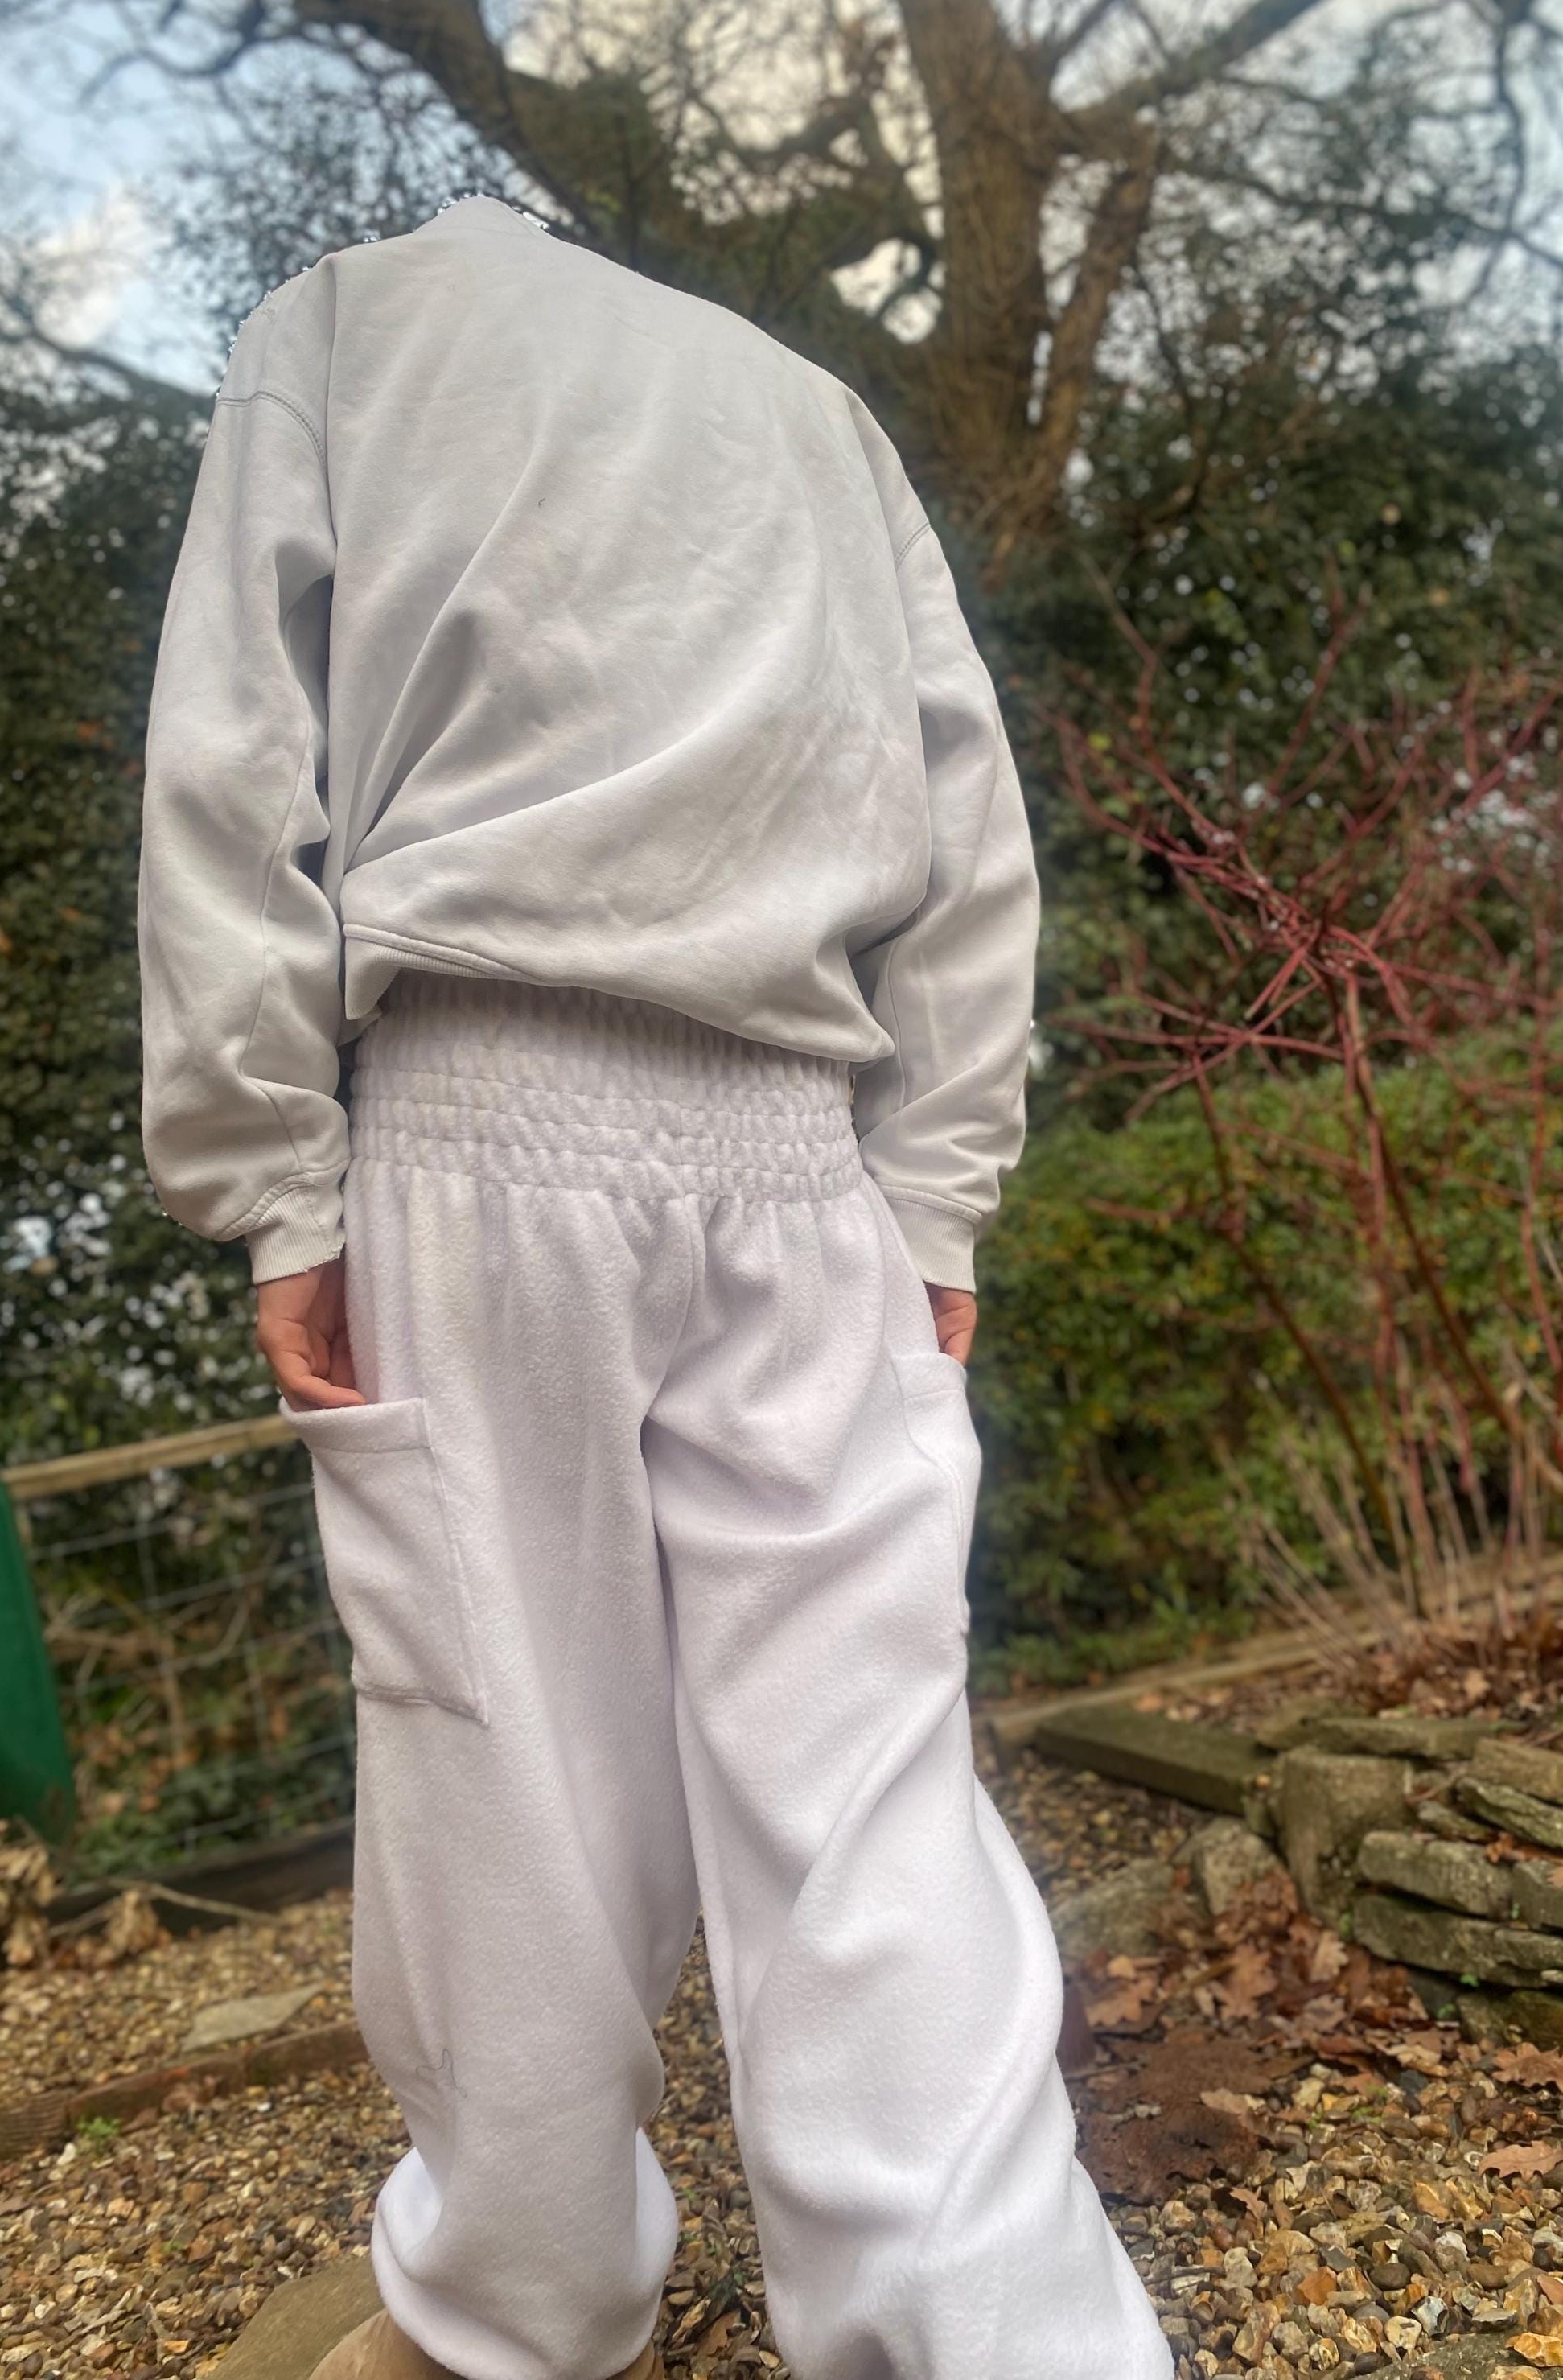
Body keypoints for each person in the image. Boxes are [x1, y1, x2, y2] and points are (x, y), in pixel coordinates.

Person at [137, 191, 1176, 2380]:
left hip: (477, 1112)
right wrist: (933, 1190)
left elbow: (233, 766)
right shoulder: (813, 413)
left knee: (499, 1773)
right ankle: (998, 2338)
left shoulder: (343, 331)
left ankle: (518, 2321)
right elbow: (964, 812)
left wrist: (276, 1179)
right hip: (804, 1144)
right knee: (869, 1786)